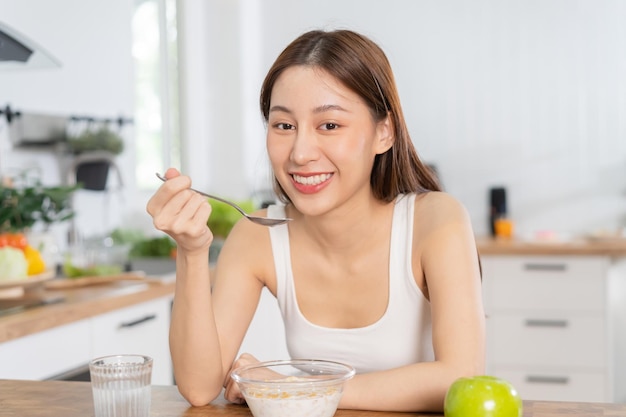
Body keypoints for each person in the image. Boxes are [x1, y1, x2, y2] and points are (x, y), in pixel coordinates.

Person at [147, 28, 484, 412]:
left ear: (383, 133)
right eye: (284, 126)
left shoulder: (435, 220)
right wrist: (192, 252)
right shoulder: (257, 236)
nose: (301, 153)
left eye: (329, 125)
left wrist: (296, 388)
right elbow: (198, 387)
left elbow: (461, 376)